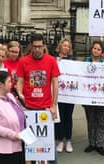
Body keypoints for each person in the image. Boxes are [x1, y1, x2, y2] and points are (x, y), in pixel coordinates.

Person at [16, 34, 60, 164]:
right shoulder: (23, 61)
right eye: (34, 47)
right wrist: (20, 93)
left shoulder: (51, 60)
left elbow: (55, 83)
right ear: (31, 46)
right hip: (28, 108)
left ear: (44, 46)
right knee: (30, 143)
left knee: (48, 143)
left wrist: (54, 105)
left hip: (45, 108)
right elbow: (20, 80)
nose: (37, 50)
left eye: (40, 47)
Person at [0, 70, 26, 164]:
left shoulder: (10, 96)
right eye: (9, 82)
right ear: (1, 84)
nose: (11, 84)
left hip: (15, 145)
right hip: (0, 150)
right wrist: (12, 134)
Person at [83, 41, 104, 156]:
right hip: (89, 97)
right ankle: (92, 143)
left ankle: (99, 144)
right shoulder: (86, 62)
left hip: (103, 98)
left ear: (102, 51)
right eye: (94, 48)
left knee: (102, 122)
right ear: (91, 49)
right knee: (91, 121)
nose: (96, 51)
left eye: (99, 49)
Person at [54, 38, 76, 153]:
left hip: (69, 94)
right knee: (59, 117)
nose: (66, 48)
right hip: (58, 93)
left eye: (68, 46)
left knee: (68, 116)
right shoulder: (54, 59)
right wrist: (58, 60)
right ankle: (60, 140)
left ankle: (68, 140)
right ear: (60, 46)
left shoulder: (73, 59)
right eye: (64, 45)